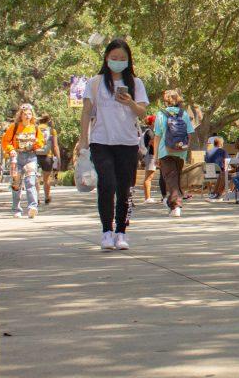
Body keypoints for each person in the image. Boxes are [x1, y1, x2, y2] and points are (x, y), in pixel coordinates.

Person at [78, 38, 149, 251]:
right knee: (106, 184)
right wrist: (84, 140)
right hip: (101, 141)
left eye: (122, 58)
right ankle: (106, 232)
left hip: (127, 143)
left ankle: (121, 232)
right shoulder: (95, 82)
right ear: (106, 58)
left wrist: (130, 102)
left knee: (124, 189)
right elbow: (86, 112)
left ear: (129, 60)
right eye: (114, 58)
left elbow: (142, 111)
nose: (118, 61)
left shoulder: (136, 84)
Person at [153, 89, 196, 218]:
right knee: (175, 177)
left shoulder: (161, 114)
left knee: (170, 178)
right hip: (180, 151)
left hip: (165, 151)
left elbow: (157, 136)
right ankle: (173, 202)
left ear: (165, 101)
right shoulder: (184, 114)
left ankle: (175, 205)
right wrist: (185, 149)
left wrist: (155, 155)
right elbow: (189, 134)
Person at [2, 103, 44, 218]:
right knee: (16, 184)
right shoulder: (14, 127)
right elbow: (5, 141)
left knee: (30, 182)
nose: (27, 116)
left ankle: (32, 207)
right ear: (20, 115)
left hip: (31, 157)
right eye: (25, 114)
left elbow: (41, 141)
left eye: (30, 114)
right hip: (17, 157)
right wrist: (11, 150)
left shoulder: (35, 127)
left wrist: (35, 144)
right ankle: (16, 209)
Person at [36, 114, 62, 204]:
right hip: (47, 156)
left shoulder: (35, 129)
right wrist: (58, 158)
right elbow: (55, 146)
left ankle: (36, 198)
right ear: (48, 120)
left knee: (36, 178)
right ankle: (47, 197)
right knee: (46, 178)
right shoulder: (52, 130)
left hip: (36, 156)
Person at [140, 115, 158, 203]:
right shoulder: (150, 132)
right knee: (149, 177)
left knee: (149, 177)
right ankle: (147, 198)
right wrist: (157, 155)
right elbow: (153, 144)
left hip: (149, 156)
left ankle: (148, 197)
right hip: (151, 156)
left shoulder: (148, 131)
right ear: (153, 122)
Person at [205, 137, 229, 201]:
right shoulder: (223, 151)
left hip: (209, 173)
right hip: (219, 173)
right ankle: (229, 192)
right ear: (221, 143)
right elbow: (227, 162)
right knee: (228, 173)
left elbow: (206, 162)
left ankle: (211, 192)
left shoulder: (208, 152)